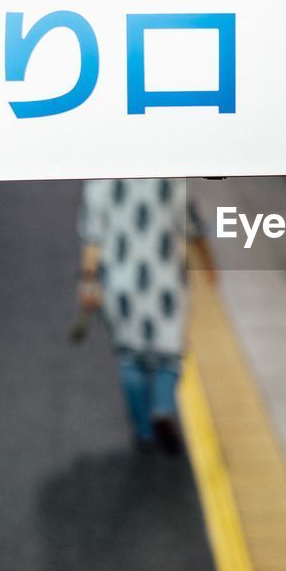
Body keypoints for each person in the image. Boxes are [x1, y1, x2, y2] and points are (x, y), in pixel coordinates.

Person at [75, 178, 210, 454]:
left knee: (130, 357)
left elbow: (92, 238)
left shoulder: (99, 180)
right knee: (170, 354)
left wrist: (88, 280)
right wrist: (209, 263)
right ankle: (162, 406)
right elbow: (190, 224)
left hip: (120, 282)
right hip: (165, 280)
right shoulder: (171, 175)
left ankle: (144, 432)